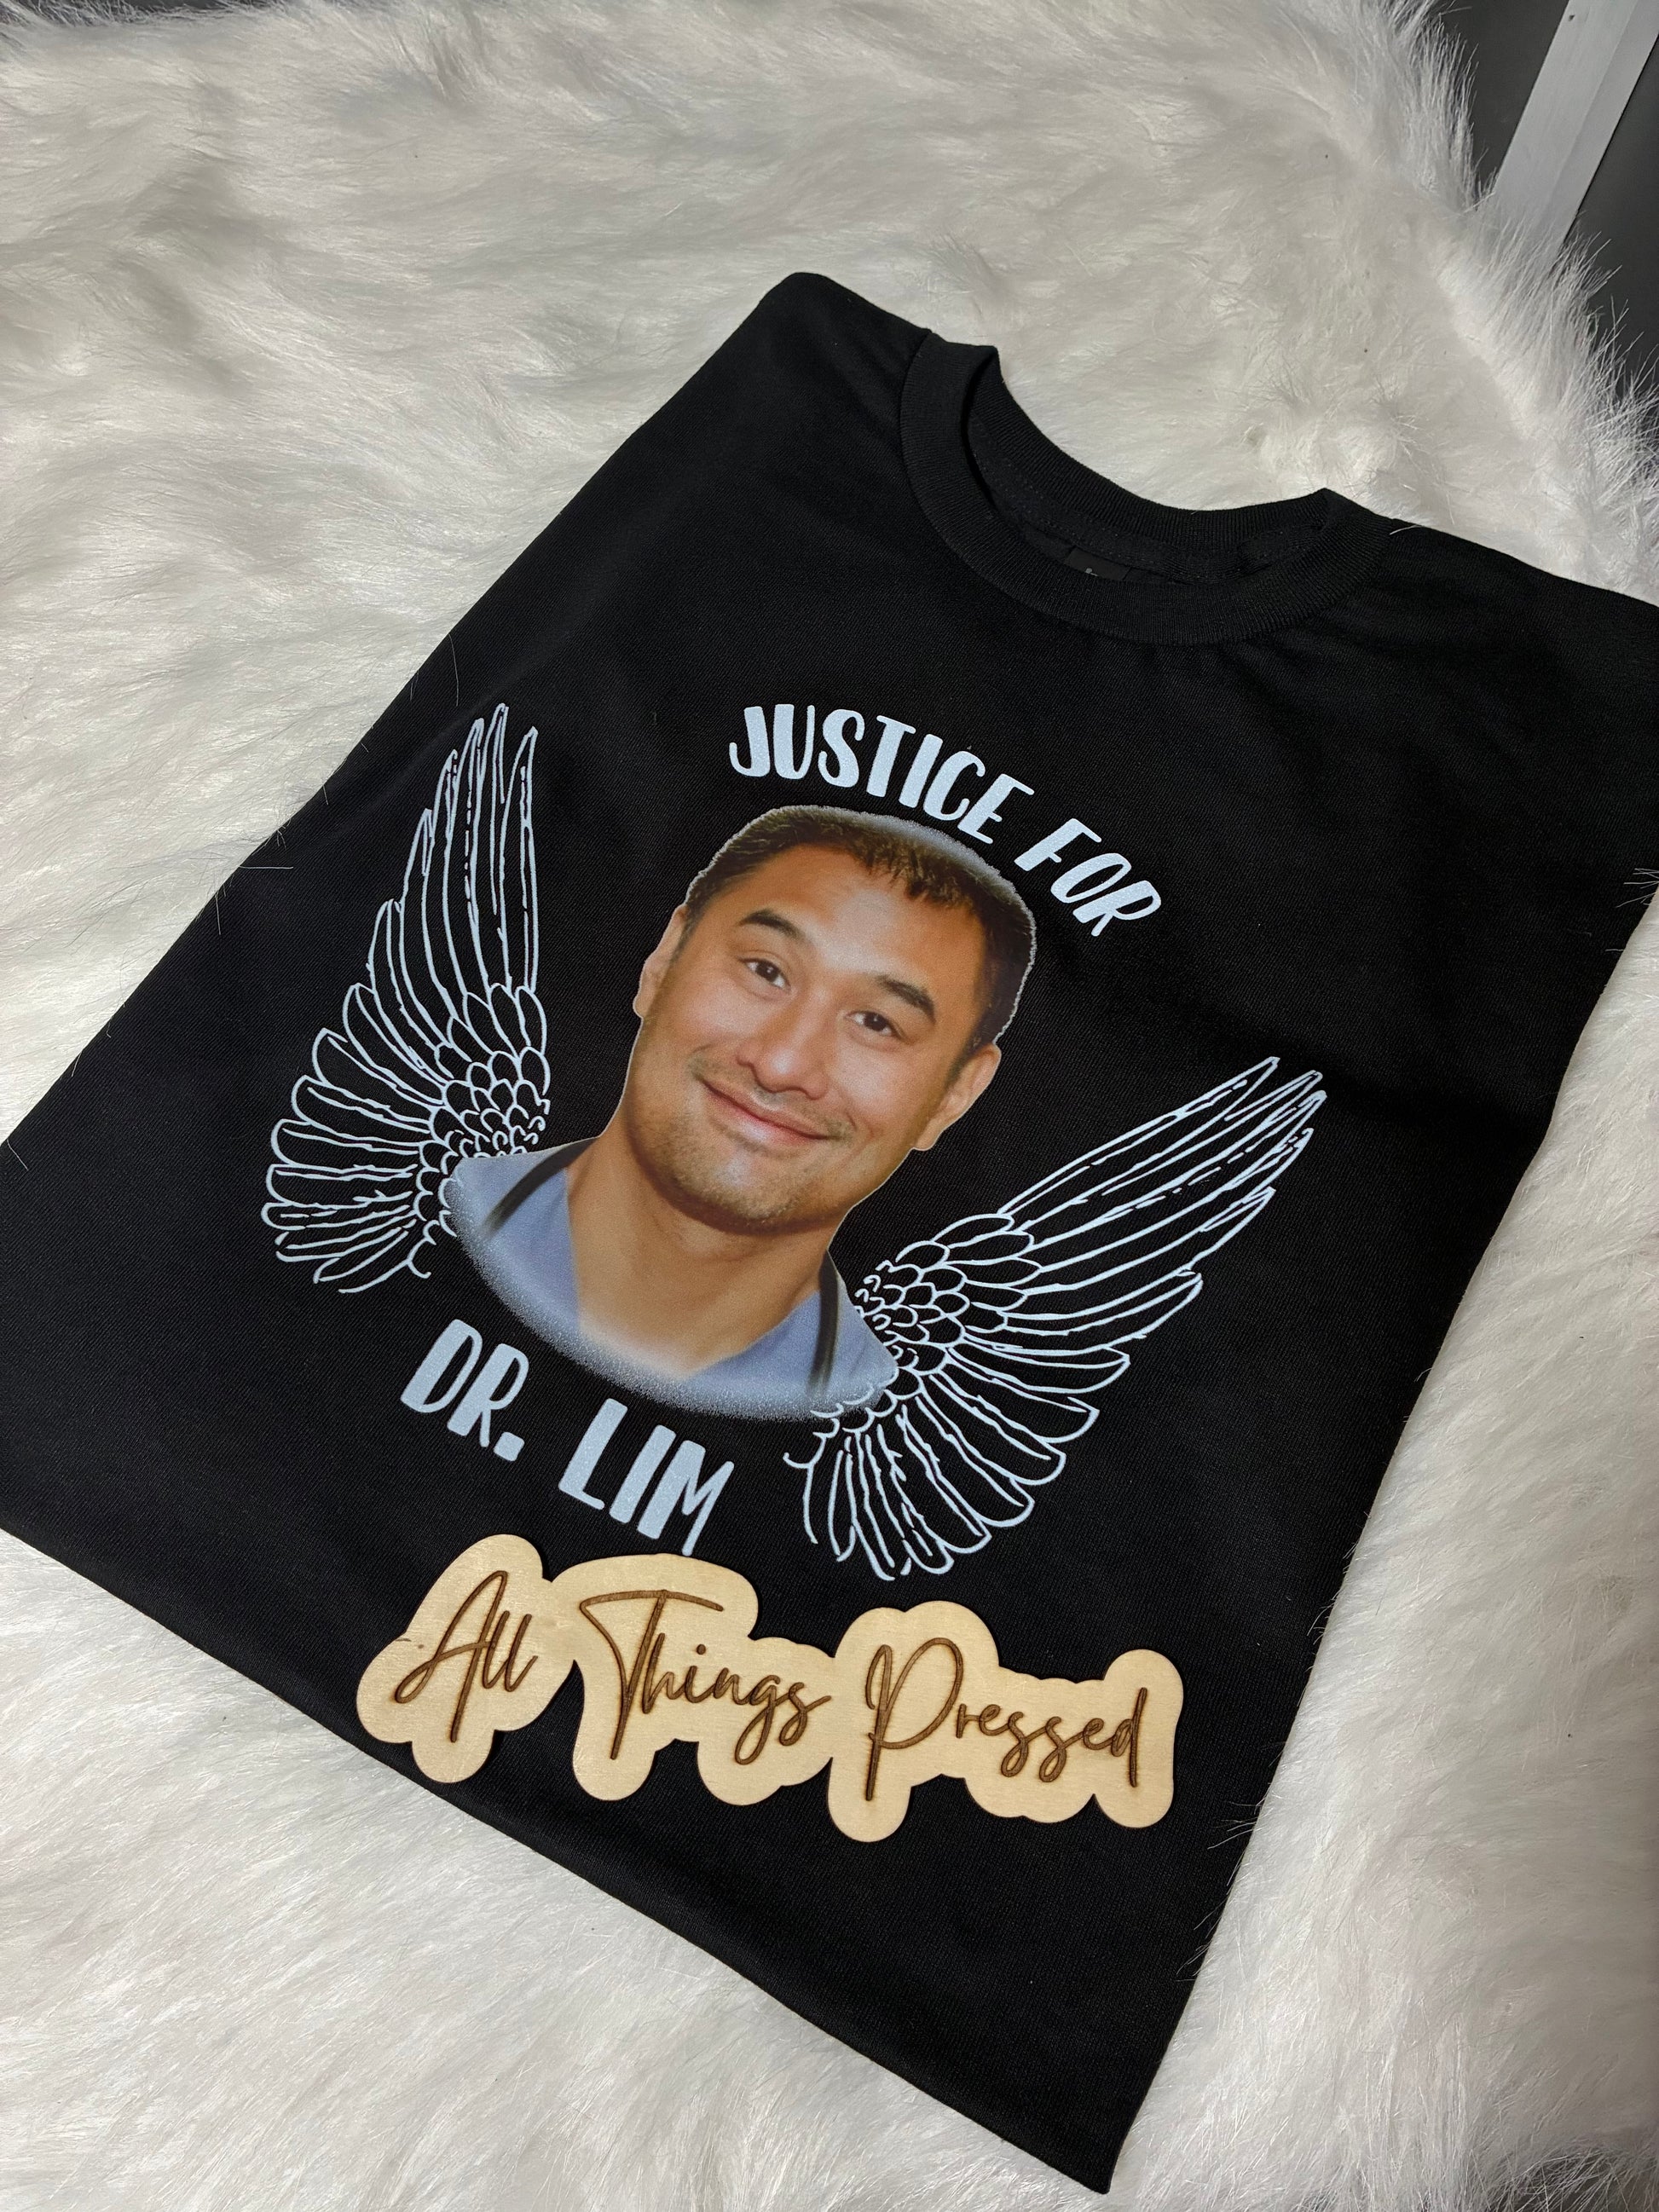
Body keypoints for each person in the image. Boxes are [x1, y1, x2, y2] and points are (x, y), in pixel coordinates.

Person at [446, 806, 1036, 1417]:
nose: (782, 1064)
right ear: (664, 962)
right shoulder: (421, 1210)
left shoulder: (885, 1416)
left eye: (877, 1022)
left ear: (954, 1095)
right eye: (766, 971)